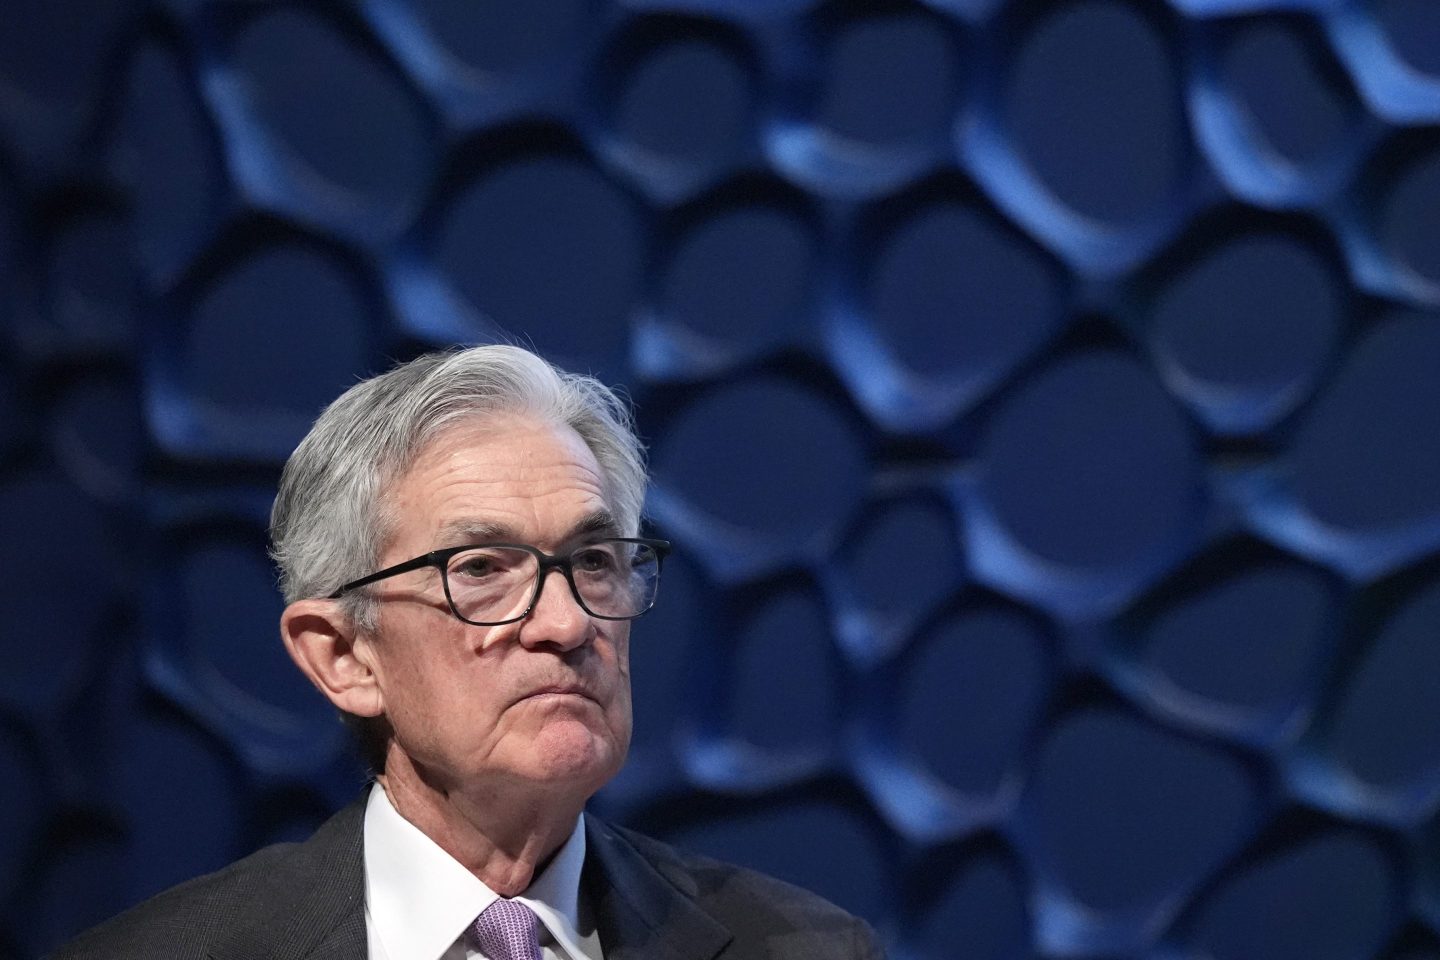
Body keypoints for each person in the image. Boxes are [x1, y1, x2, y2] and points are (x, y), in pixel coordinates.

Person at [52, 345, 884, 960]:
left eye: (594, 561)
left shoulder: (811, 950)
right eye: (481, 570)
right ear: (344, 656)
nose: (563, 623)